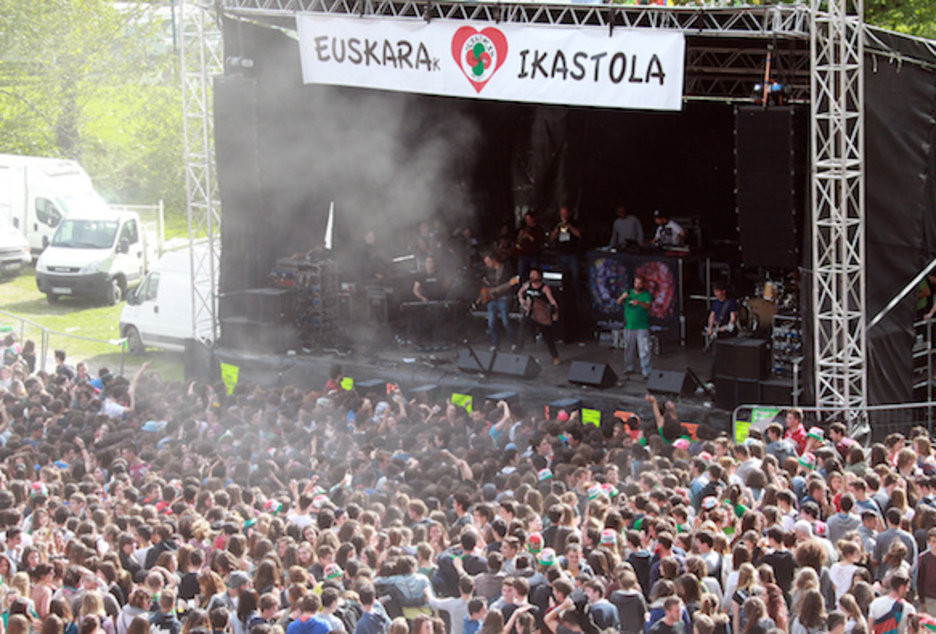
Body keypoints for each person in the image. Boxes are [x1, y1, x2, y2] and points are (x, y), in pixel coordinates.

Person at [516, 269, 560, 366]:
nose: (532, 276)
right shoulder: (527, 285)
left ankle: (555, 356)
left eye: (534, 274)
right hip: (529, 313)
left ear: (539, 276)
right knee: (522, 333)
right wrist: (521, 299)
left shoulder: (544, 288)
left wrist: (555, 312)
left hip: (541, 315)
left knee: (548, 337)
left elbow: (552, 301)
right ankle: (517, 353)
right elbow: (519, 292)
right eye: (531, 274)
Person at [617, 274, 653, 379]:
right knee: (629, 348)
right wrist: (622, 297)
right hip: (629, 326)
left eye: (640, 283)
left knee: (644, 349)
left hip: (642, 326)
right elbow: (618, 302)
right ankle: (630, 368)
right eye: (636, 283)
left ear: (643, 284)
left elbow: (649, 306)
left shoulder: (646, 295)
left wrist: (640, 303)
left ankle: (646, 371)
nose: (637, 285)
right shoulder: (628, 293)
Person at [481, 253, 517, 351]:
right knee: (491, 323)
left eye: (488, 262)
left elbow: (510, 284)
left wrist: (499, 290)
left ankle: (514, 342)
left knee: (506, 322)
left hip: (504, 298)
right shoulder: (489, 271)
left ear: (494, 260)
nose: (487, 265)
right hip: (492, 299)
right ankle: (495, 344)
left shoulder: (505, 269)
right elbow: (487, 285)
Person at [550, 206, 582, 296]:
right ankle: (564, 296)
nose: (563, 215)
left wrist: (569, 225)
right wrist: (557, 229)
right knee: (562, 276)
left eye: (565, 213)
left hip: (572, 253)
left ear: (568, 213)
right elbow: (552, 238)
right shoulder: (557, 223)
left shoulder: (574, 222)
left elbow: (578, 234)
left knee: (575, 277)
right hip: (561, 253)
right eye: (561, 214)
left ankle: (577, 296)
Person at [515, 212, 545, 282]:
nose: (527, 221)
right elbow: (519, 241)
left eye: (528, 219)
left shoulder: (538, 229)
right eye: (526, 219)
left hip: (534, 256)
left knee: (533, 275)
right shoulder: (525, 228)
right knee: (521, 274)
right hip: (524, 255)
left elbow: (537, 241)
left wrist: (528, 236)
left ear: (533, 219)